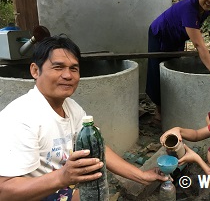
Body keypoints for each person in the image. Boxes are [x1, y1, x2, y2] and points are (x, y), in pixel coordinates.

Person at [0, 35, 168, 201]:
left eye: (74, 68)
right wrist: (62, 177)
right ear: (35, 71)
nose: (68, 75)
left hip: (60, 193)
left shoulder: (72, 108)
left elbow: (99, 148)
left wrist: (141, 176)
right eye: (58, 67)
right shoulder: (19, 118)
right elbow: (4, 191)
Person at [146, 0, 210, 121]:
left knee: (174, 64)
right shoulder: (189, 8)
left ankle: (170, 106)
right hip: (160, 34)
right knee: (158, 69)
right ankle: (159, 110)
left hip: (177, 35)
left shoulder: (205, 11)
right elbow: (199, 44)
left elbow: (195, 32)